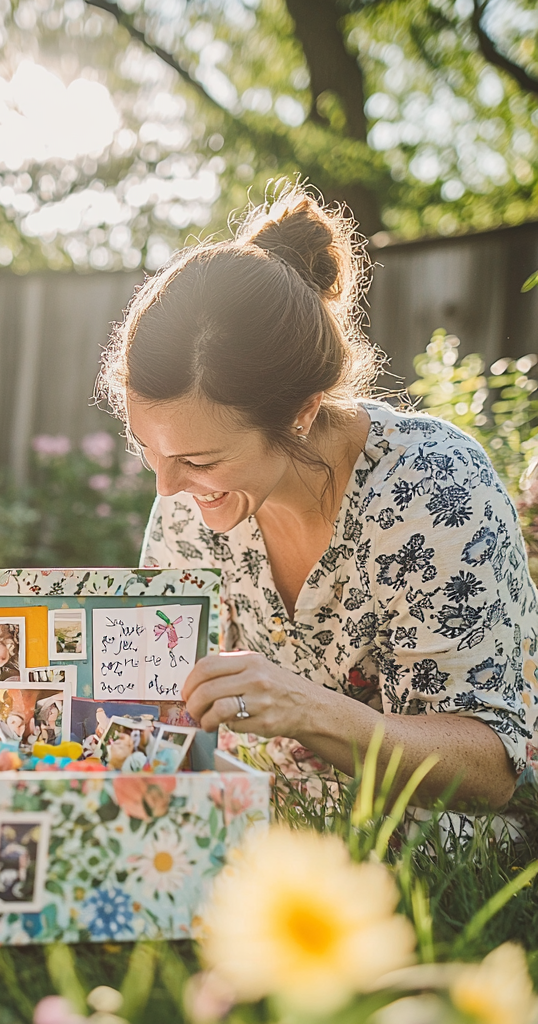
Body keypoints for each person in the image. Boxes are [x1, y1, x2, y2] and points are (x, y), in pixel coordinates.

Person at [97, 184, 538, 813]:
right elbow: (157, 707)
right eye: (151, 451)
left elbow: (493, 768)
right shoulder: (185, 510)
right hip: (265, 832)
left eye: (199, 460)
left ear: (301, 415)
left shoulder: (433, 490)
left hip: (435, 859)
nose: (167, 489)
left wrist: (306, 708)